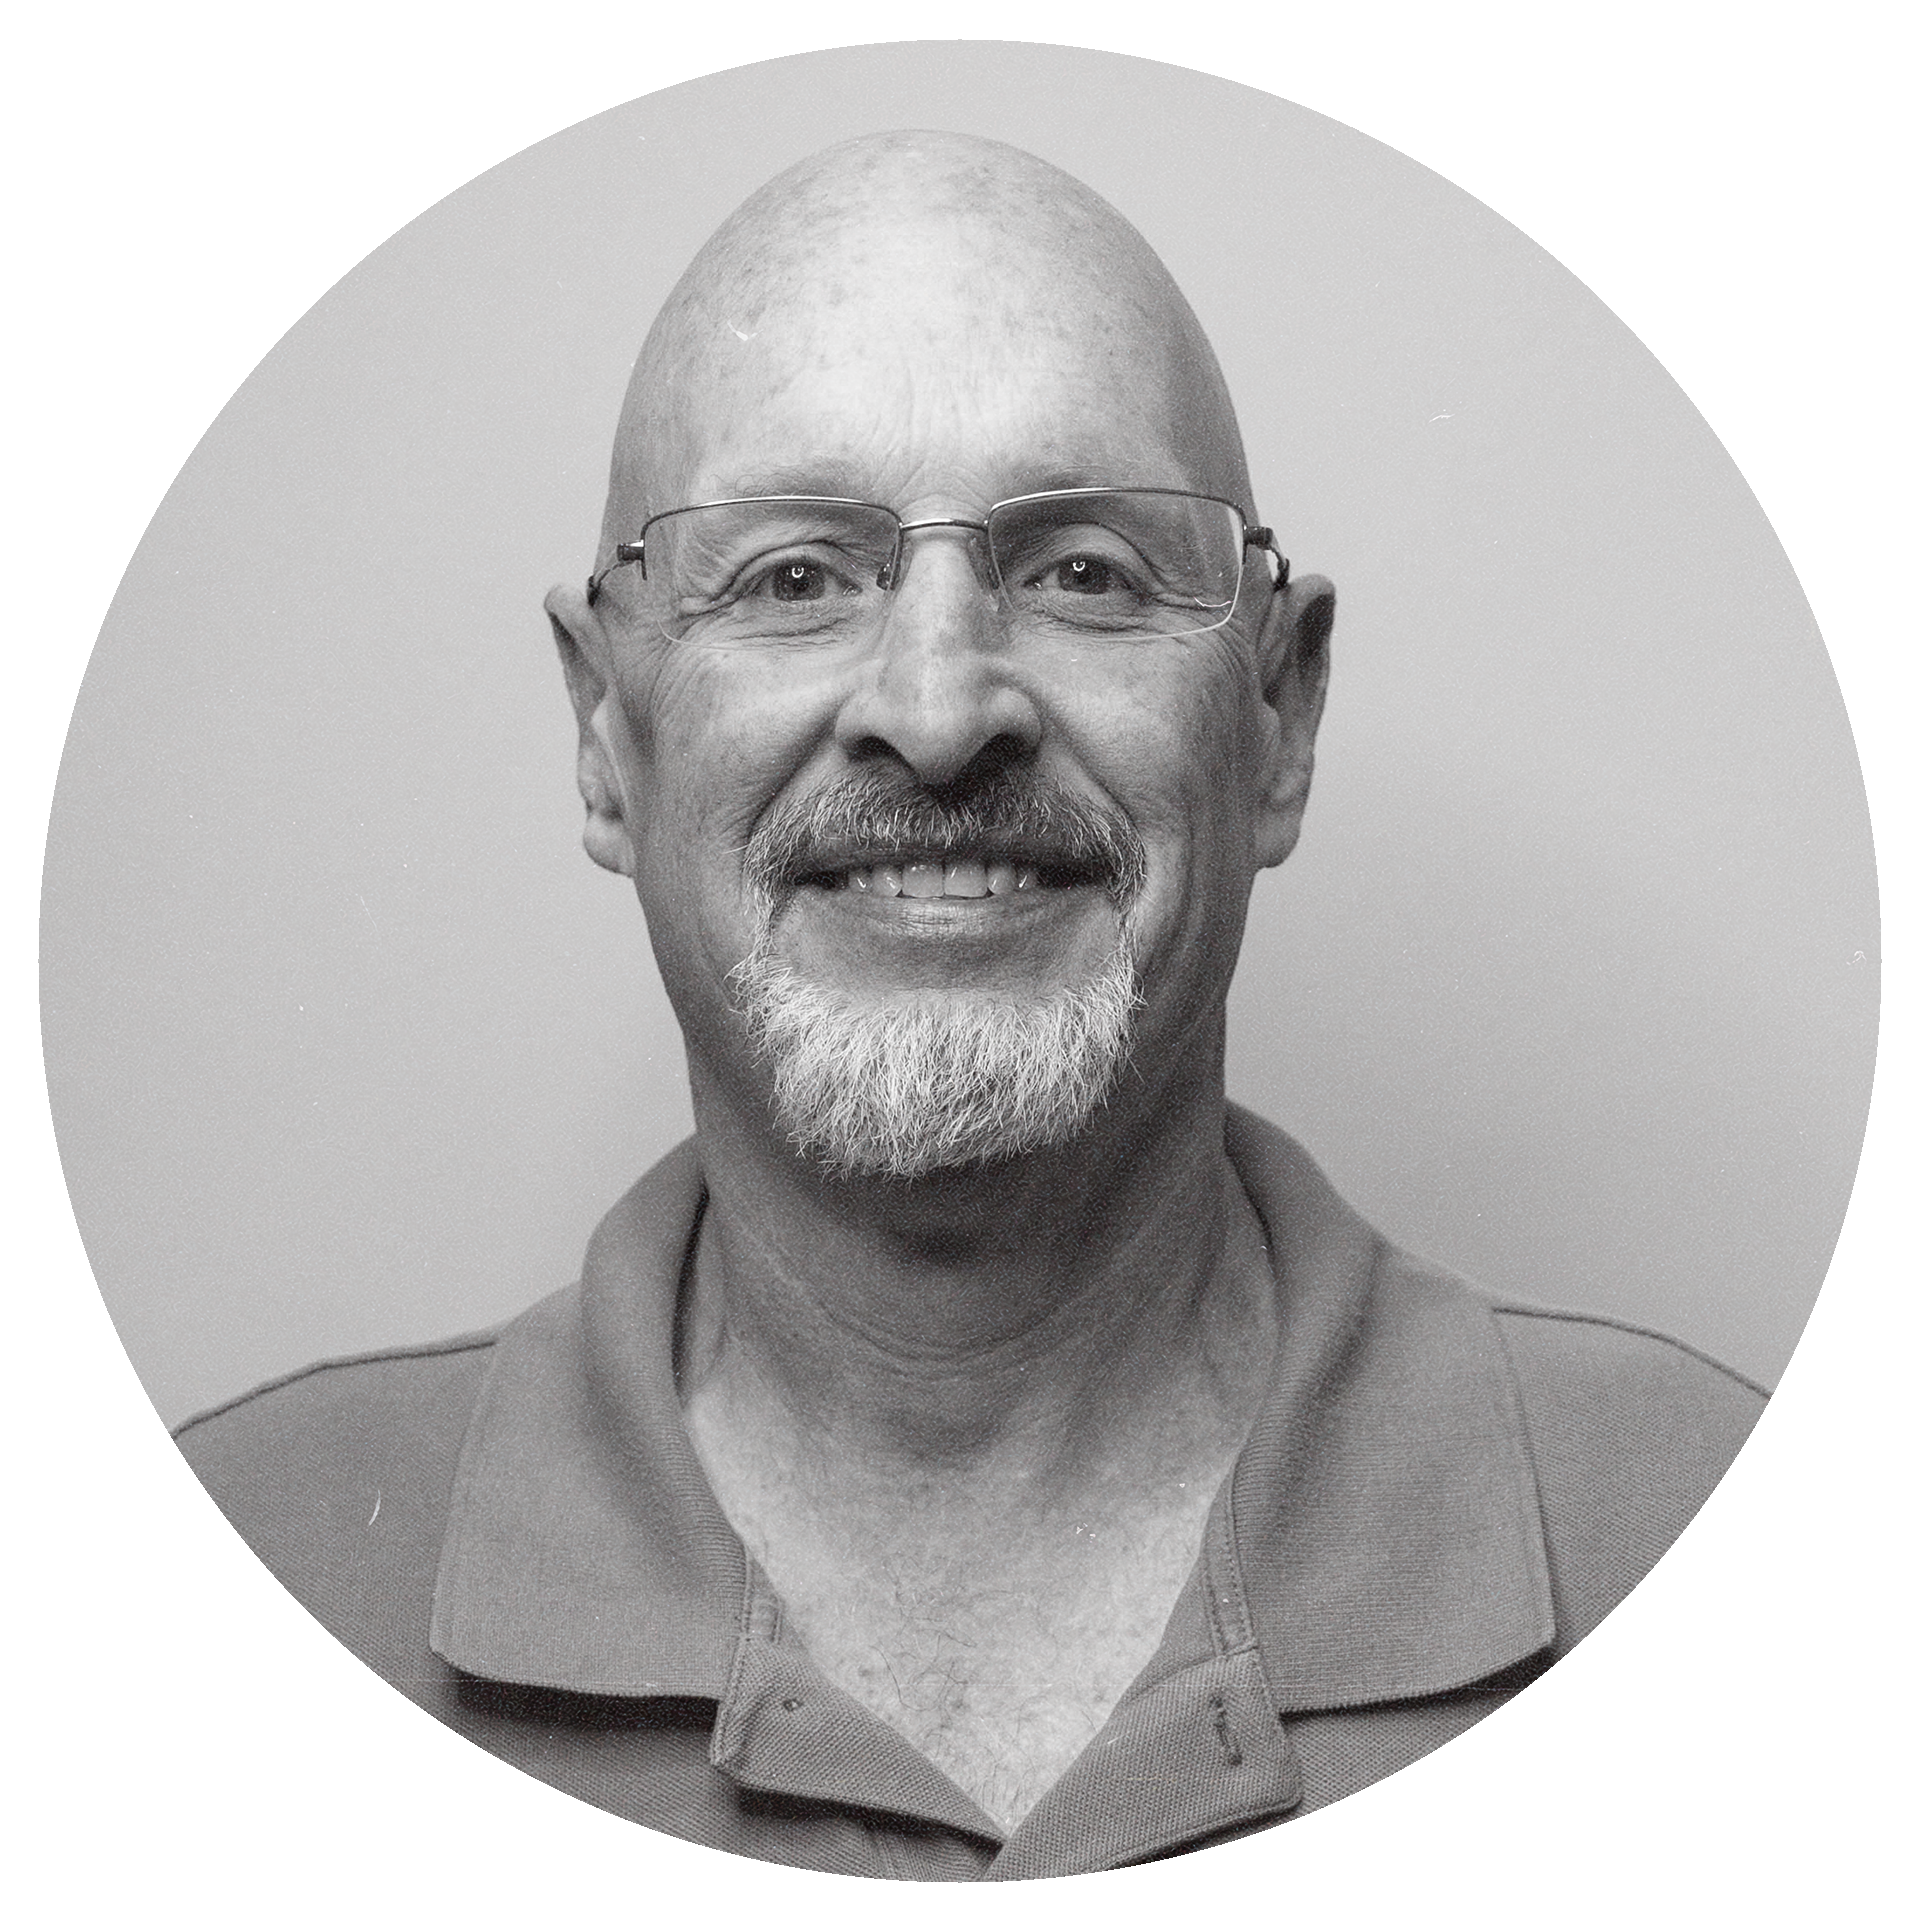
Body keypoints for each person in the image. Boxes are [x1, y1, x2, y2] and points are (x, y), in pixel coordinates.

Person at [172, 130, 1767, 1882]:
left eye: (1083, 570)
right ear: (604, 731)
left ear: (1279, 719)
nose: (937, 715)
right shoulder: (260, 1547)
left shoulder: (1740, 1564)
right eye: (794, 576)